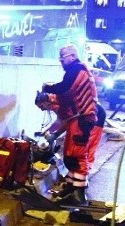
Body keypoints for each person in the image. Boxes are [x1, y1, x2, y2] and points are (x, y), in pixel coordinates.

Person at [35, 43, 98, 204]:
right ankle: (72, 187)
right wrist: (53, 134)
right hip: (80, 118)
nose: (61, 61)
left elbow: (64, 89)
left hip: (84, 117)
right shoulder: (75, 70)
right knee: (70, 155)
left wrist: (48, 87)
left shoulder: (76, 69)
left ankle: (79, 192)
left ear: (72, 56)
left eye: (63, 57)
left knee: (77, 154)